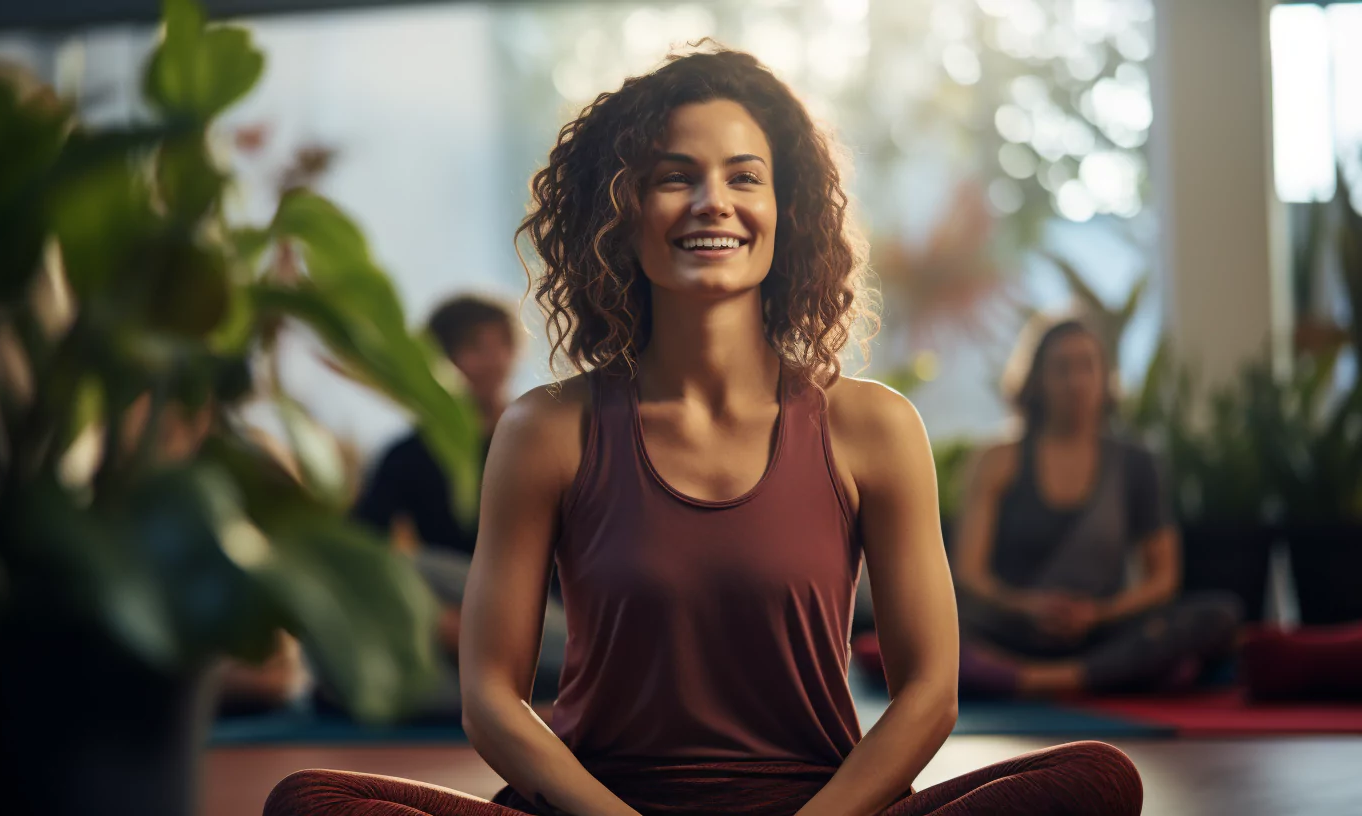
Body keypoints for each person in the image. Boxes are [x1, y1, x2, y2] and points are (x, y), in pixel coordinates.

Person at [265, 49, 1142, 816]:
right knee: (312, 803)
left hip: (821, 805)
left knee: (1096, 780)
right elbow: (492, 697)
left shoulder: (874, 427)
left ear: (784, 209)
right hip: (595, 807)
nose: (711, 202)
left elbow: (928, 695)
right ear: (623, 210)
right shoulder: (547, 431)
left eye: (744, 176)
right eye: (674, 175)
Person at [949, 319, 1242, 698]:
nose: (1075, 381)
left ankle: (1044, 680)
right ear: (1037, 380)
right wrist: (1027, 607)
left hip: (1101, 635)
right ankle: (1106, 677)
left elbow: (1163, 578)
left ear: (1105, 377)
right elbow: (969, 574)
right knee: (923, 631)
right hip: (1011, 632)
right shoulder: (998, 460)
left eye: (1086, 366)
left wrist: (1099, 614)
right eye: (1061, 368)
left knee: (1220, 615)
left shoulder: (1137, 464)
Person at [349, 295, 566, 705]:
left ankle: (572, 682)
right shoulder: (408, 456)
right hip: (460, 613)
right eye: (474, 347)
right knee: (394, 571)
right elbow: (363, 548)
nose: (493, 360)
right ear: (440, 359)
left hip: (545, 616)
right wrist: (433, 617)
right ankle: (536, 707)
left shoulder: (545, 438)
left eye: (502, 344)